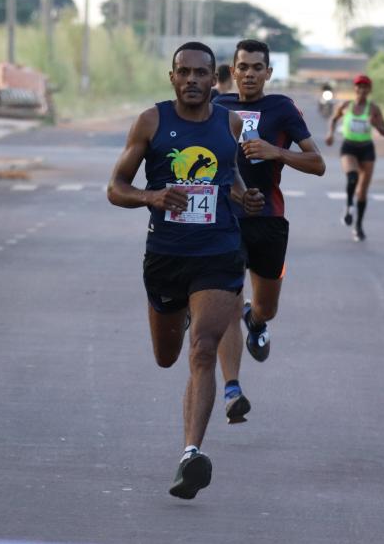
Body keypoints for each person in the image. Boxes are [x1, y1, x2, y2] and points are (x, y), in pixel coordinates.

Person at [106, 41, 264, 500]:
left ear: (215, 80)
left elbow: (228, 177)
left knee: (203, 349)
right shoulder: (151, 122)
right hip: (166, 257)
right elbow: (115, 187)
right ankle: (184, 316)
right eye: (184, 72)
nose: (192, 80)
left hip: (218, 252)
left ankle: (191, 453)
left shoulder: (229, 123)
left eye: (201, 73)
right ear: (172, 77)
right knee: (166, 355)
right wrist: (151, 196)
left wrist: (245, 197)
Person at [212, 39, 326, 424]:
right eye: (242, 67)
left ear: (268, 73)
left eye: (257, 67)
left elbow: (317, 163)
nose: (249, 74)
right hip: (225, 220)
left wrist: (277, 152)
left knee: (266, 308)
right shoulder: (217, 106)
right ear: (232, 71)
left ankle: (256, 320)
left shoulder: (282, 108)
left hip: (268, 220)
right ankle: (232, 389)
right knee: (226, 302)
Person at [325, 74, 384, 242]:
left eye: (365, 87)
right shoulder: (345, 105)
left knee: (362, 191)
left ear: (369, 90)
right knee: (352, 176)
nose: (362, 89)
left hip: (367, 149)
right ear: (355, 88)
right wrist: (330, 134)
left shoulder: (374, 109)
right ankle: (348, 206)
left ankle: (358, 226)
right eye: (359, 86)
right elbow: (333, 119)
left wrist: (376, 125)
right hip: (349, 147)